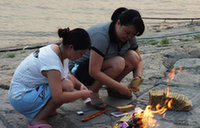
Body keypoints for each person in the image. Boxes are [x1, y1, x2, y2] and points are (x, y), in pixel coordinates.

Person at [8, 27, 93, 128]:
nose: (81, 57)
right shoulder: (52, 62)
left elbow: (67, 76)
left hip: (25, 91)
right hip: (20, 97)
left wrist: (80, 85)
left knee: (68, 82)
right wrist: (82, 94)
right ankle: (38, 119)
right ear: (71, 47)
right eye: (80, 53)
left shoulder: (59, 50)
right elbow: (58, 98)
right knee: (67, 87)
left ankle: (46, 109)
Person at [69, 7, 145, 109]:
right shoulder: (101, 35)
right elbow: (93, 71)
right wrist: (120, 87)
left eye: (133, 34)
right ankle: (92, 92)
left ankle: (112, 90)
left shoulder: (130, 35)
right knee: (118, 63)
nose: (129, 37)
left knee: (133, 57)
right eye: (127, 33)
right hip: (79, 70)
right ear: (118, 23)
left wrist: (137, 77)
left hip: (100, 66)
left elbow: (138, 60)